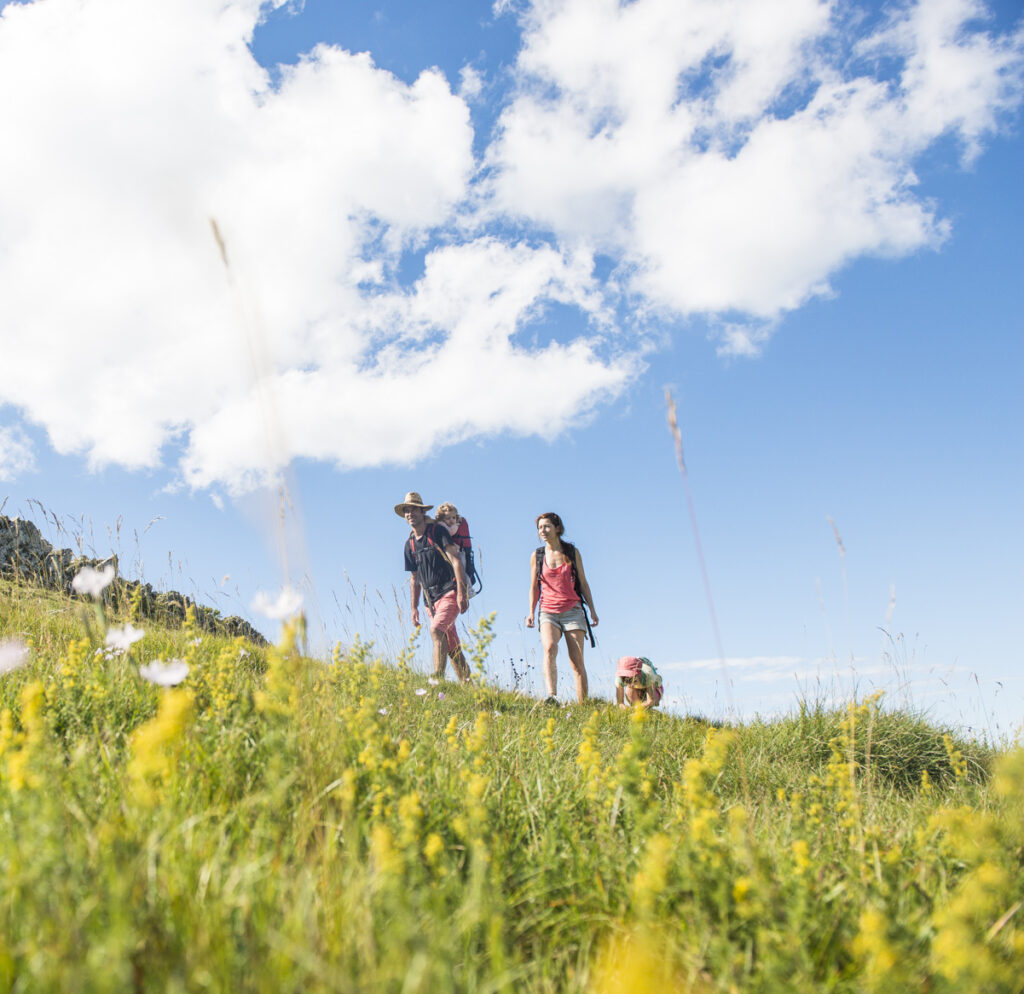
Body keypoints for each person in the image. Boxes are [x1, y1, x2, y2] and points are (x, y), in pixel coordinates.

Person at [396, 491, 471, 682]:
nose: (410, 513)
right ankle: (468, 685)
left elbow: (456, 561)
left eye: (414, 510)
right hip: (430, 601)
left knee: (436, 631)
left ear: (422, 512)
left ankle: (437, 679)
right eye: (407, 511)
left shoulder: (437, 532)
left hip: (449, 592)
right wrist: (413, 607)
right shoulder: (410, 544)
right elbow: (414, 578)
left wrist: (461, 594)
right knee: (451, 645)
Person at [526, 512, 598, 704]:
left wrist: (592, 609)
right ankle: (552, 696)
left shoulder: (572, 552)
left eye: (547, 526)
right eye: (540, 528)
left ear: (557, 528)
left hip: (572, 610)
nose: (543, 531)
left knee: (576, 661)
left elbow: (583, 582)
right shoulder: (537, 555)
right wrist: (531, 612)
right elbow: (534, 586)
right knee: (549, 647)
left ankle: (582, 704)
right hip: (548, 611)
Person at [435, 501, 479, 596]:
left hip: (460, 553)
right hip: (454, 551)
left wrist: (440, 525)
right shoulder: (447, 524)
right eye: (448, 518)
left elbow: (450, 532)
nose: (452, 520)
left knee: (462, 572)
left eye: (453, 518)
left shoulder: (454, 526)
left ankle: (469, 589)